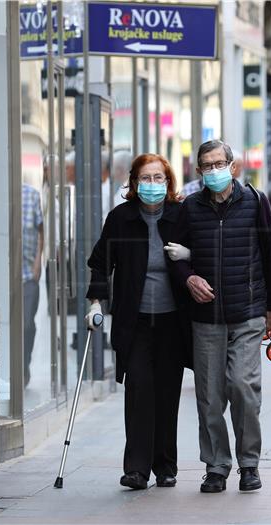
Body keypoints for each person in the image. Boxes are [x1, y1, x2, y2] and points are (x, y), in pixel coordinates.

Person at [170, 139, 271, 493]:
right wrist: (189, 277)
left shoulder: (255, 201)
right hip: (206, 317)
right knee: (210, 395)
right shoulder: (191, 207)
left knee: (242, 386)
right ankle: (216, 465)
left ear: (233, 166)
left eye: (220, 164)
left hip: (248, 312)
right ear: (199, 171)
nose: (214, 170)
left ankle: (249, 464)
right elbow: (174, 256)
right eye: (207, 165)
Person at [85, 153, 192, 490]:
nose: (152, 184)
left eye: (158, 178)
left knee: (167, 393)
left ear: (168, 181)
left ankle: (165, 466)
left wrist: (190, 256)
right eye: (145, 178)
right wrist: (95, 302)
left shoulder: (181, 216)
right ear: (133, 183)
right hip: (135, 321)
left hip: (173, 319)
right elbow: (101, 263)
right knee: (139, 390)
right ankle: (136, 468)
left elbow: (204, 252)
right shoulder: (120, 218)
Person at [22, 183, 43, 387]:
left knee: (27, 323)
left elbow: (41, 231)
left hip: (28, 273)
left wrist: (38, 263)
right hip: (5, 275)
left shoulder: (31, 195)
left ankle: (24, 364)